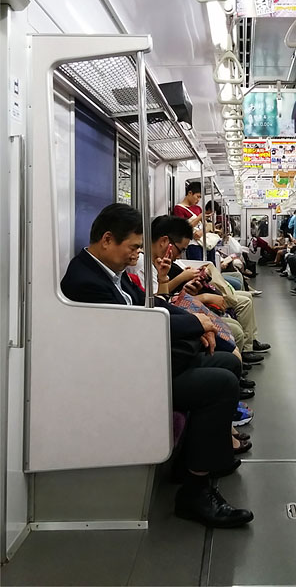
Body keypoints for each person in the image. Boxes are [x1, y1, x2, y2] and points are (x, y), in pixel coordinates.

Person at [60, 204, 252, 527]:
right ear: (107, 240)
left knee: (224, 362)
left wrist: (197, 320)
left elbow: (151, 305)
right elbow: (136, 323)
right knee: (222, 385)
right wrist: (197, 326)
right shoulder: (86, 281)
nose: (137, 254)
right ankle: (194, 492)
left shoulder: (114, 275)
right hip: (125, 377)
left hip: (143, 362)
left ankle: (193, 461)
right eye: (133, 247)